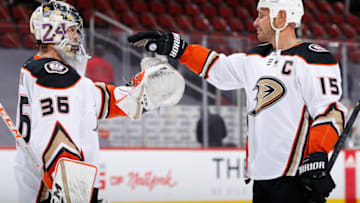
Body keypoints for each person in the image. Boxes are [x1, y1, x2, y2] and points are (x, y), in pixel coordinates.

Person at [127, 0, 347, 202]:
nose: (254, 22)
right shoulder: (255, 58)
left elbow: (330, 112)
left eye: (261, 15)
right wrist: (180, 50)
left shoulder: (313, 59)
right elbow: (217, 69)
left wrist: (316, 155)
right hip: (261, 178)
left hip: (294, 178)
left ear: (281, 18)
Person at [15, 1, 184, 202]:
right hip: (53, 195)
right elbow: (58, 140)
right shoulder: (53, 74)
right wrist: (77, 197)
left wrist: (139, 93)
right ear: (52, 32)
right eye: (71, 30)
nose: (77, 37)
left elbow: (100, 100)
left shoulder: (50, 73)